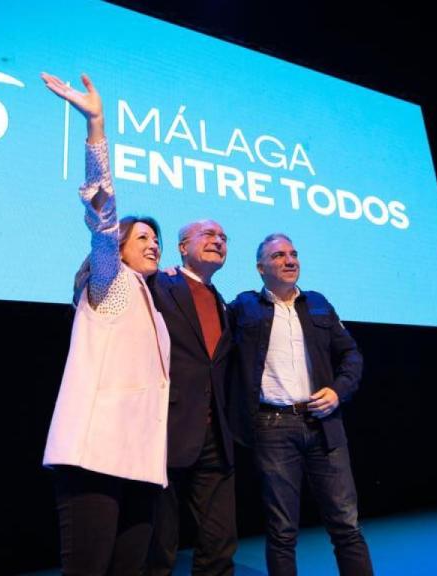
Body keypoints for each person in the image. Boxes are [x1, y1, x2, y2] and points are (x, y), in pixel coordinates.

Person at [41, 72, 171, 575]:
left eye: (155, 240)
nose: (152, 244)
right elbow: (103, 216)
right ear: (116, 252)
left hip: (139, 466)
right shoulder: (112, 283)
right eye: (142, 239)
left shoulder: (151, 305)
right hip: (94, 461)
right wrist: (96, 124)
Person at [228, 233, 373, 575]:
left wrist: (338, 390)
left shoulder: (318, 303)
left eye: (293, 254)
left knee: (346, 525)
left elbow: (351, 353)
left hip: (325, 425)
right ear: (260, 268)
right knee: (282, 531)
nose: (290, 260)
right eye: (279, 256)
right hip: (273, 428)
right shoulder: (243, 306)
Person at [146, 220, 237, 576]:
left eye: (223, 237)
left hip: (216, 436)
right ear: (183, 248)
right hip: (167, 431)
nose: (218, 241)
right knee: (158, 544)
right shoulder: (159, 283)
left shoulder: (225, 304)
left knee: (219, 543)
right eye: (209, 235)